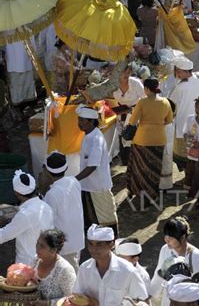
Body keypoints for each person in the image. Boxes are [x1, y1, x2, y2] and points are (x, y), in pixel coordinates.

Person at [150, 217, 199, 306]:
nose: (166, 239)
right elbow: (159, 274)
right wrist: (149, 295)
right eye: (166, 235)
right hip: (169, 303)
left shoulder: (196, 257)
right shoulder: (165, 249)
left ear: (183, 237)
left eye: (171, 237)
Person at [126, 77, 173, 203]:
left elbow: (132, 121)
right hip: (159, 138)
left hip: (142, 139)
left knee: (140, 168)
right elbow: (169, 120)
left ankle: (140, 191)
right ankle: (152, 193)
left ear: (146, 89)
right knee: (155, 167)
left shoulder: (142, 102)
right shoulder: (165, 102)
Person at [76, 105, 118, 237]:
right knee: (91, 216)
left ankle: (111, 241)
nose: (79, 123)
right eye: (79, 120)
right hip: (88, 185)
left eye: (82, 120)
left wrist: (73, 180)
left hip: (98, 186)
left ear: (90, 121)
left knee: (106, 217)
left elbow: (92, 166)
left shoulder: (96, 140)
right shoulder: (88, 135)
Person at [0, 170, 54, 266]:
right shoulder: (45, 206)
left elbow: (4, 235)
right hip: (45, 259)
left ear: (16, 193)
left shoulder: (25, 215)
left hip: (28, 263)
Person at [43, 151, 84, 272]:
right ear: (66, 167)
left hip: (64, 245)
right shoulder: (74, 182)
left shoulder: (51, 194)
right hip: (77, 238)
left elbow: (48, 221)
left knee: (69, 277)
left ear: (47, 171)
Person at [170, 58, 199, 173]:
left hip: (183, 124)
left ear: (185, 72)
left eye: (179, 72)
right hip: (196, 122)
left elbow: (171, 103)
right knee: (192, 148)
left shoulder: (180, 88)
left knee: (186, 152)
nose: (177, 74)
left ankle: (189, 177)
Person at [112, 65, 145, 165]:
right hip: (121, 114)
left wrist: (132, 110)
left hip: (135, 114)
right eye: (123, 72)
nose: (126, 75)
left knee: (134, 138)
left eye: (128, 72)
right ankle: (126, 162)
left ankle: (136, 162)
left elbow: (145, 99)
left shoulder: (135, 83)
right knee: (122, 136)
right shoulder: (112, 84)